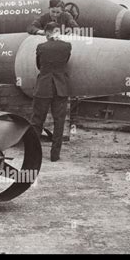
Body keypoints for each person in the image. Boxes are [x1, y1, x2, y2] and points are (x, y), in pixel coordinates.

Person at [30, 22, 72, 162]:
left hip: (44, 87)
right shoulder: (67, 47)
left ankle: (34, 153)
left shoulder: (41, 47)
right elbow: (65, 62)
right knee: (59, 121)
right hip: (60, 88)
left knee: (37, 121)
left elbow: (39, 65)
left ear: (48, 33)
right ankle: (55, 155)